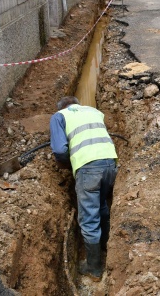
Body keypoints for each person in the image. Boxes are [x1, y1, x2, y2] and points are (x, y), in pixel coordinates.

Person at [50, 96, 118, 280]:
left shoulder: (58, 116)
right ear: (77, 104)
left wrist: (69, 163)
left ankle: (94, 268)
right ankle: (105, 245)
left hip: (89, 168)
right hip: (110, 163)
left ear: (62, 107)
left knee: (89, 219)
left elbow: (59, 151)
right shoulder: (94, 111)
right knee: (102, 204)